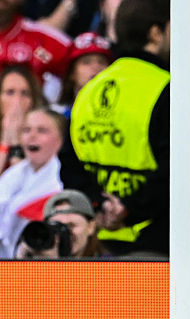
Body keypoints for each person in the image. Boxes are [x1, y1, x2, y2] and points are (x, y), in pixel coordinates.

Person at [60, 0, 169, 257]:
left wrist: (99, 204)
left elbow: (69, 166)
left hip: (96, 240)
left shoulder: (90, 90)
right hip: (154, 244)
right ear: (155, 33)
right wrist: (128, 209)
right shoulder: (167, 87)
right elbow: (174, 172)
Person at [0, 106, 63, 257]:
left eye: (42, 130)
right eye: (26, 130)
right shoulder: (12, 175)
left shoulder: (63, 182)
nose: (32, 136)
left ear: (60, 140)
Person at [15, 188, 108, 259]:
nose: (64, 232)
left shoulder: (109, 263)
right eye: (56, 225)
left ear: (90, 227)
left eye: (71, 225)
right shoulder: (40, 258)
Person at [55, 32, 112, 117]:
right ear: (71, 73)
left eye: (101, 62)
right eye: (86, 62)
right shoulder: (55, 116)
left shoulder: (121, 114)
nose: (95, 67)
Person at [0, 63, 45, 173]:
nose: (17, 100)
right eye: (10, 92)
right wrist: (5, 142)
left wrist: (16, 144)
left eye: (25, 93)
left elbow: (26, 186)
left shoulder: (43, 135)